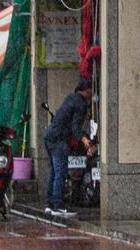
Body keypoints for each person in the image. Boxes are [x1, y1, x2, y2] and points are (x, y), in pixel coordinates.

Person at [44, 77, 95, 218]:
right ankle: (58, 206)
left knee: (54, 171)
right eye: (91, 90)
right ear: (86, 90)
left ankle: (50, 204)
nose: (92, 93)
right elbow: (75, 127)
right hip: (59, 139)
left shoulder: (71, 97)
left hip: (49, 136)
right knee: (60, 171)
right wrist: (84, 139)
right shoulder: (81, 103)